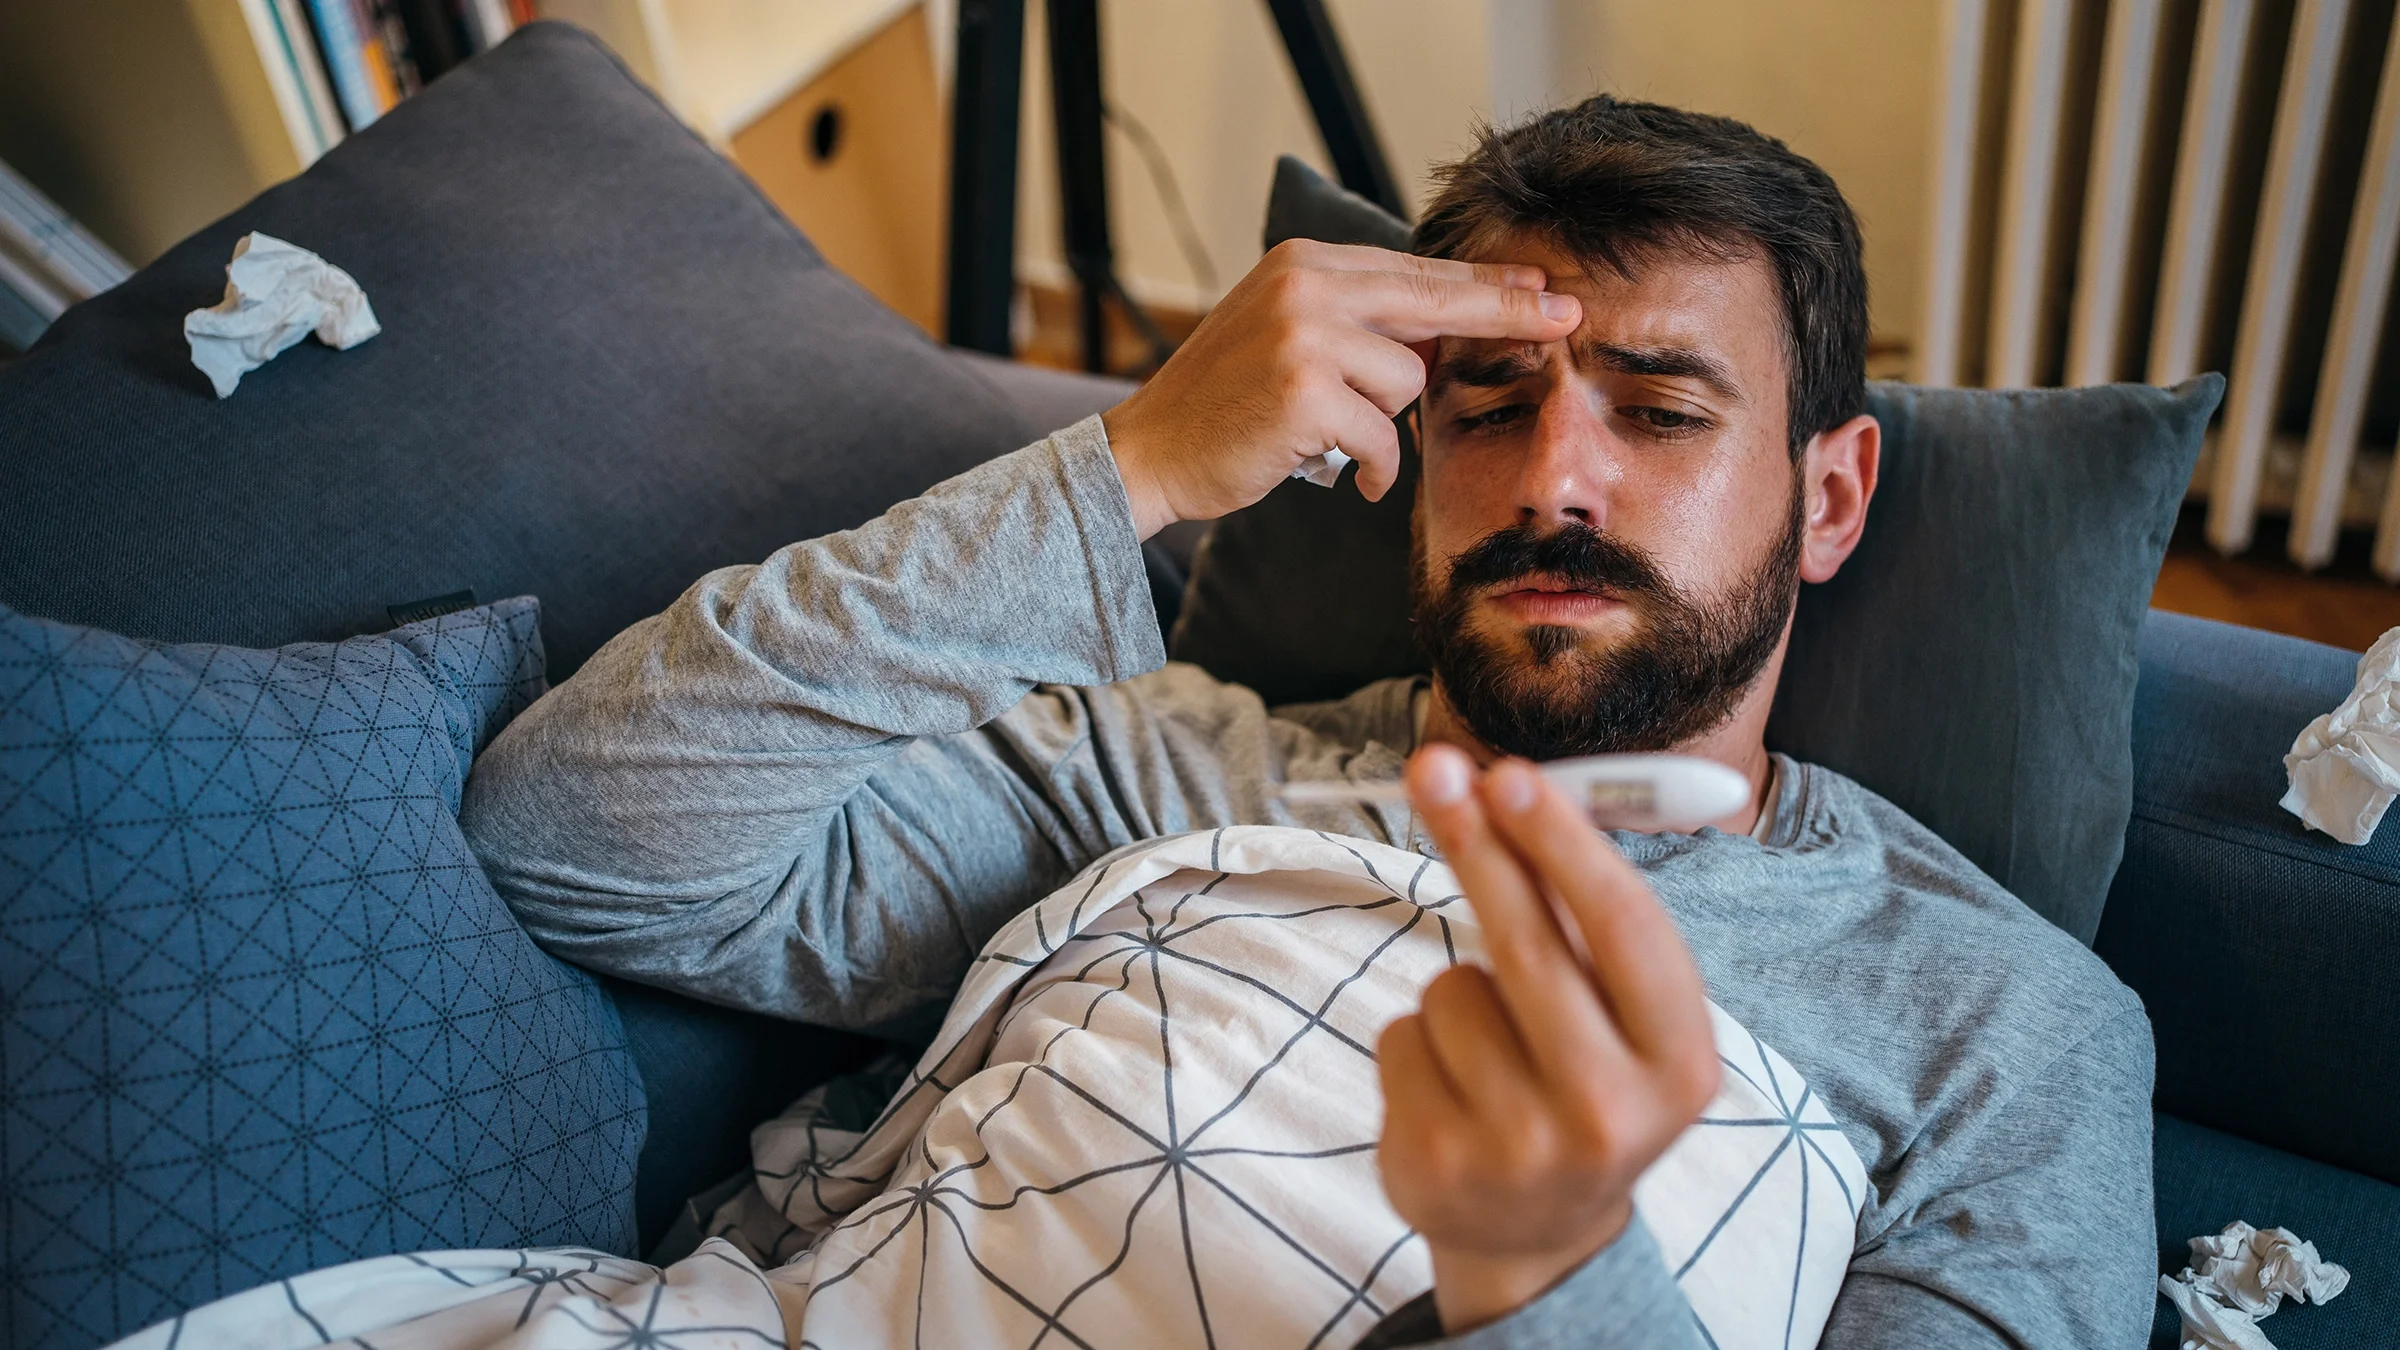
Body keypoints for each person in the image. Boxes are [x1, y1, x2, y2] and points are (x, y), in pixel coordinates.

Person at [461, 95, 2155, 1348]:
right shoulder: (1170, 766)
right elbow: (576, 843)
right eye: (1486, 404)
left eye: (1658, 410)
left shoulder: (2006, 1023)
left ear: (1833, 496)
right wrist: (1132, 468)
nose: (1557, 475)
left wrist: (1552, 1262)